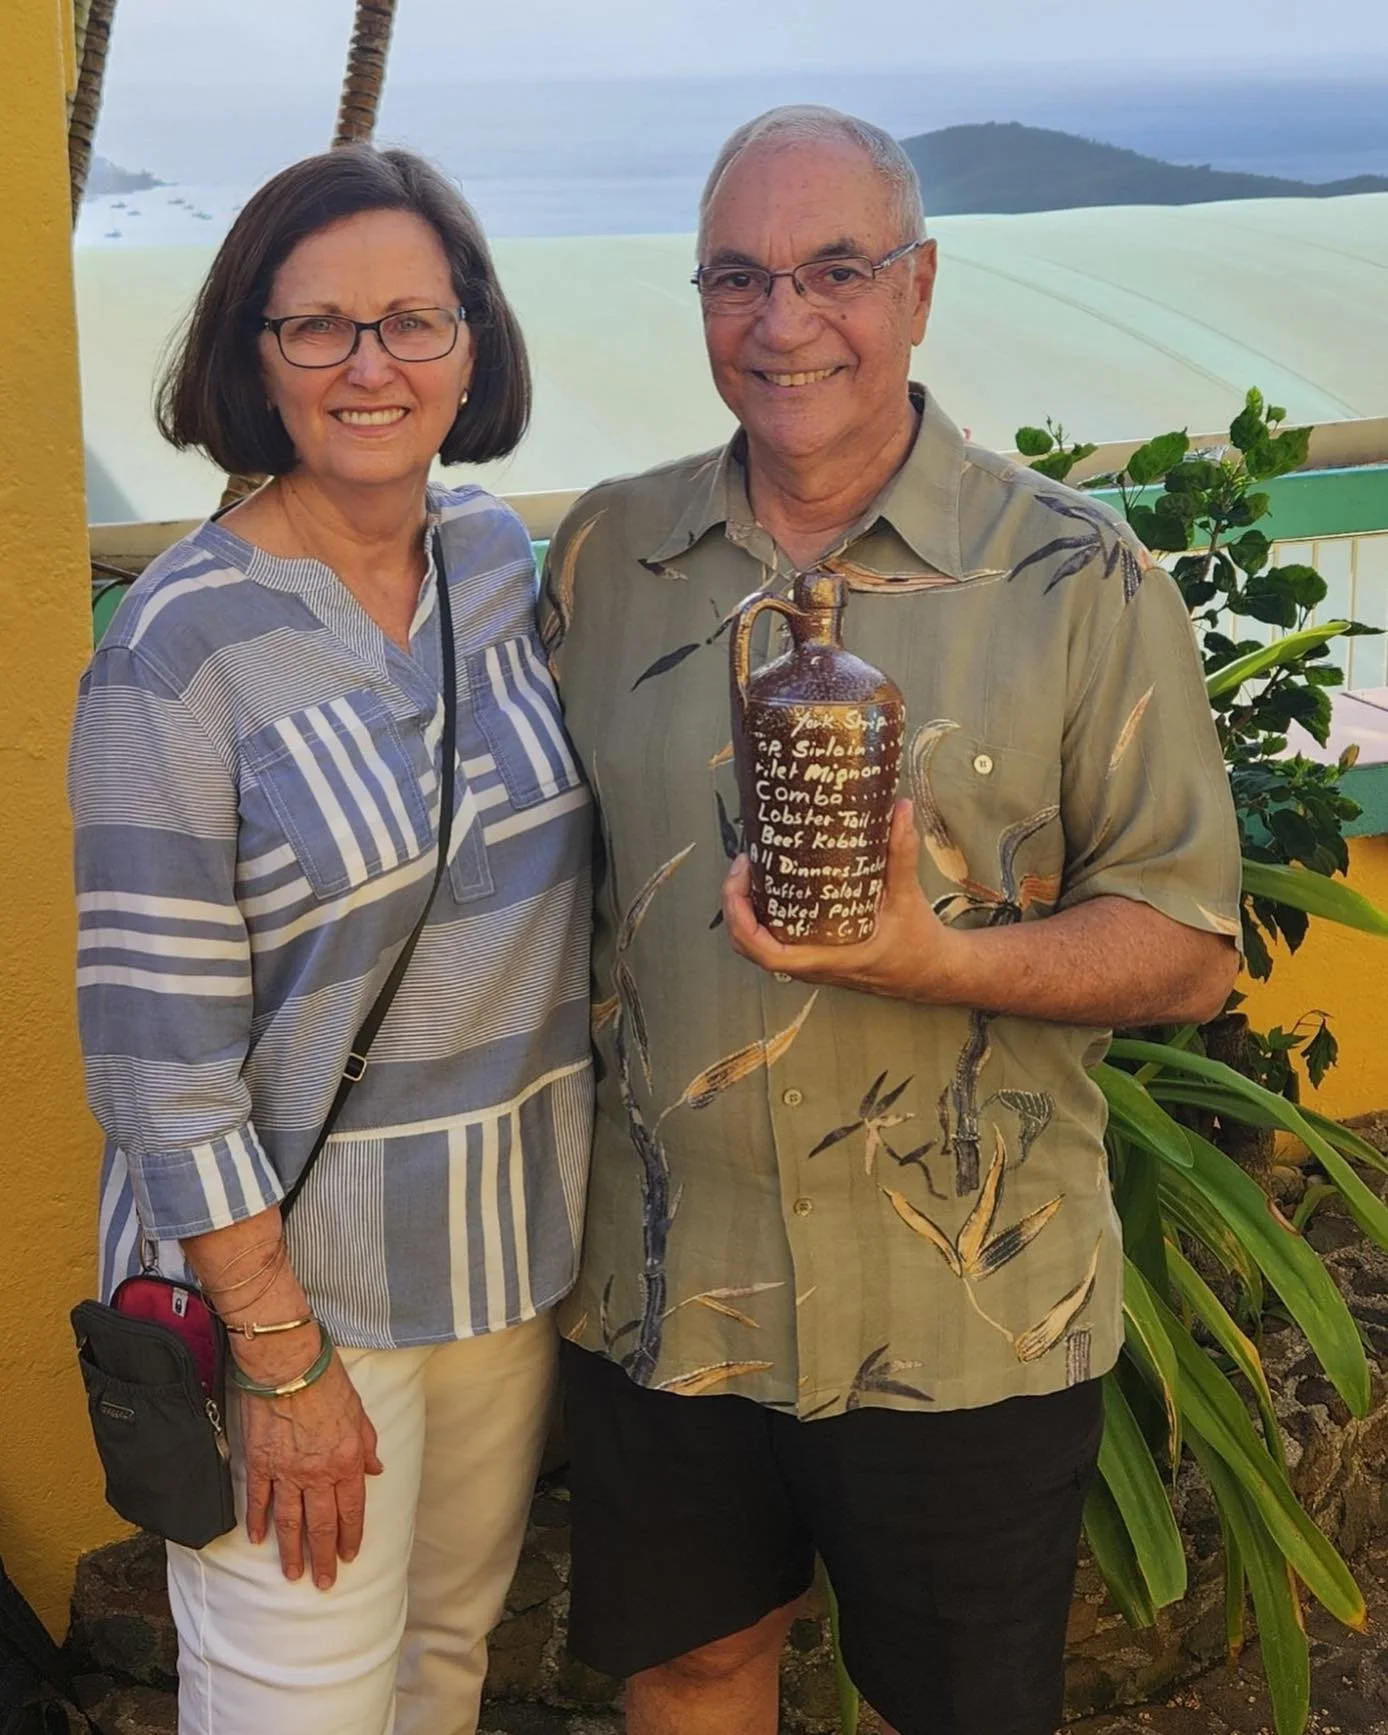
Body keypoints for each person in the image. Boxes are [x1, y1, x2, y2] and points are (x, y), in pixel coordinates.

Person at [540, 106, 1241, 1735]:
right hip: (668, 1284)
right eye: (738, 277)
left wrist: (952, 962)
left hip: (970, 1303)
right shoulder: (606, 558)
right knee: (696, 1668)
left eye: (835, 270)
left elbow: (1192, 944)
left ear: (920, 288)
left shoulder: (1079, 579)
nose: (785, 322)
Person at [69, 146, 592, 1735]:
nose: (373, 366)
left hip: (504, 1266)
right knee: (295, 1709)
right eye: (321, 329)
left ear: (474, 346)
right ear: (253, 357)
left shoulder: (497, 561)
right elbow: (160, 1065)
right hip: (295, 1303)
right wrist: (285, 1362)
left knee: (444, 1671)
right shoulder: (177, 646)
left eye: (414, 322)